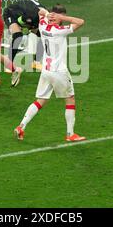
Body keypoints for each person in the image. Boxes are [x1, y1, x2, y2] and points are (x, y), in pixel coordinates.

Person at [14, 11, 86, 142]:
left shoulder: (42, 25)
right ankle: (70, 134)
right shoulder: (60, 31)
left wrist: (47, 14)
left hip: (46, 71)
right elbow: (80, 22)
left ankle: (21, 126)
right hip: (59, 72)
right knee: (70, 99)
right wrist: (62, 17)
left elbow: (40, 12)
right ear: (57, 20)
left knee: (40, 100)